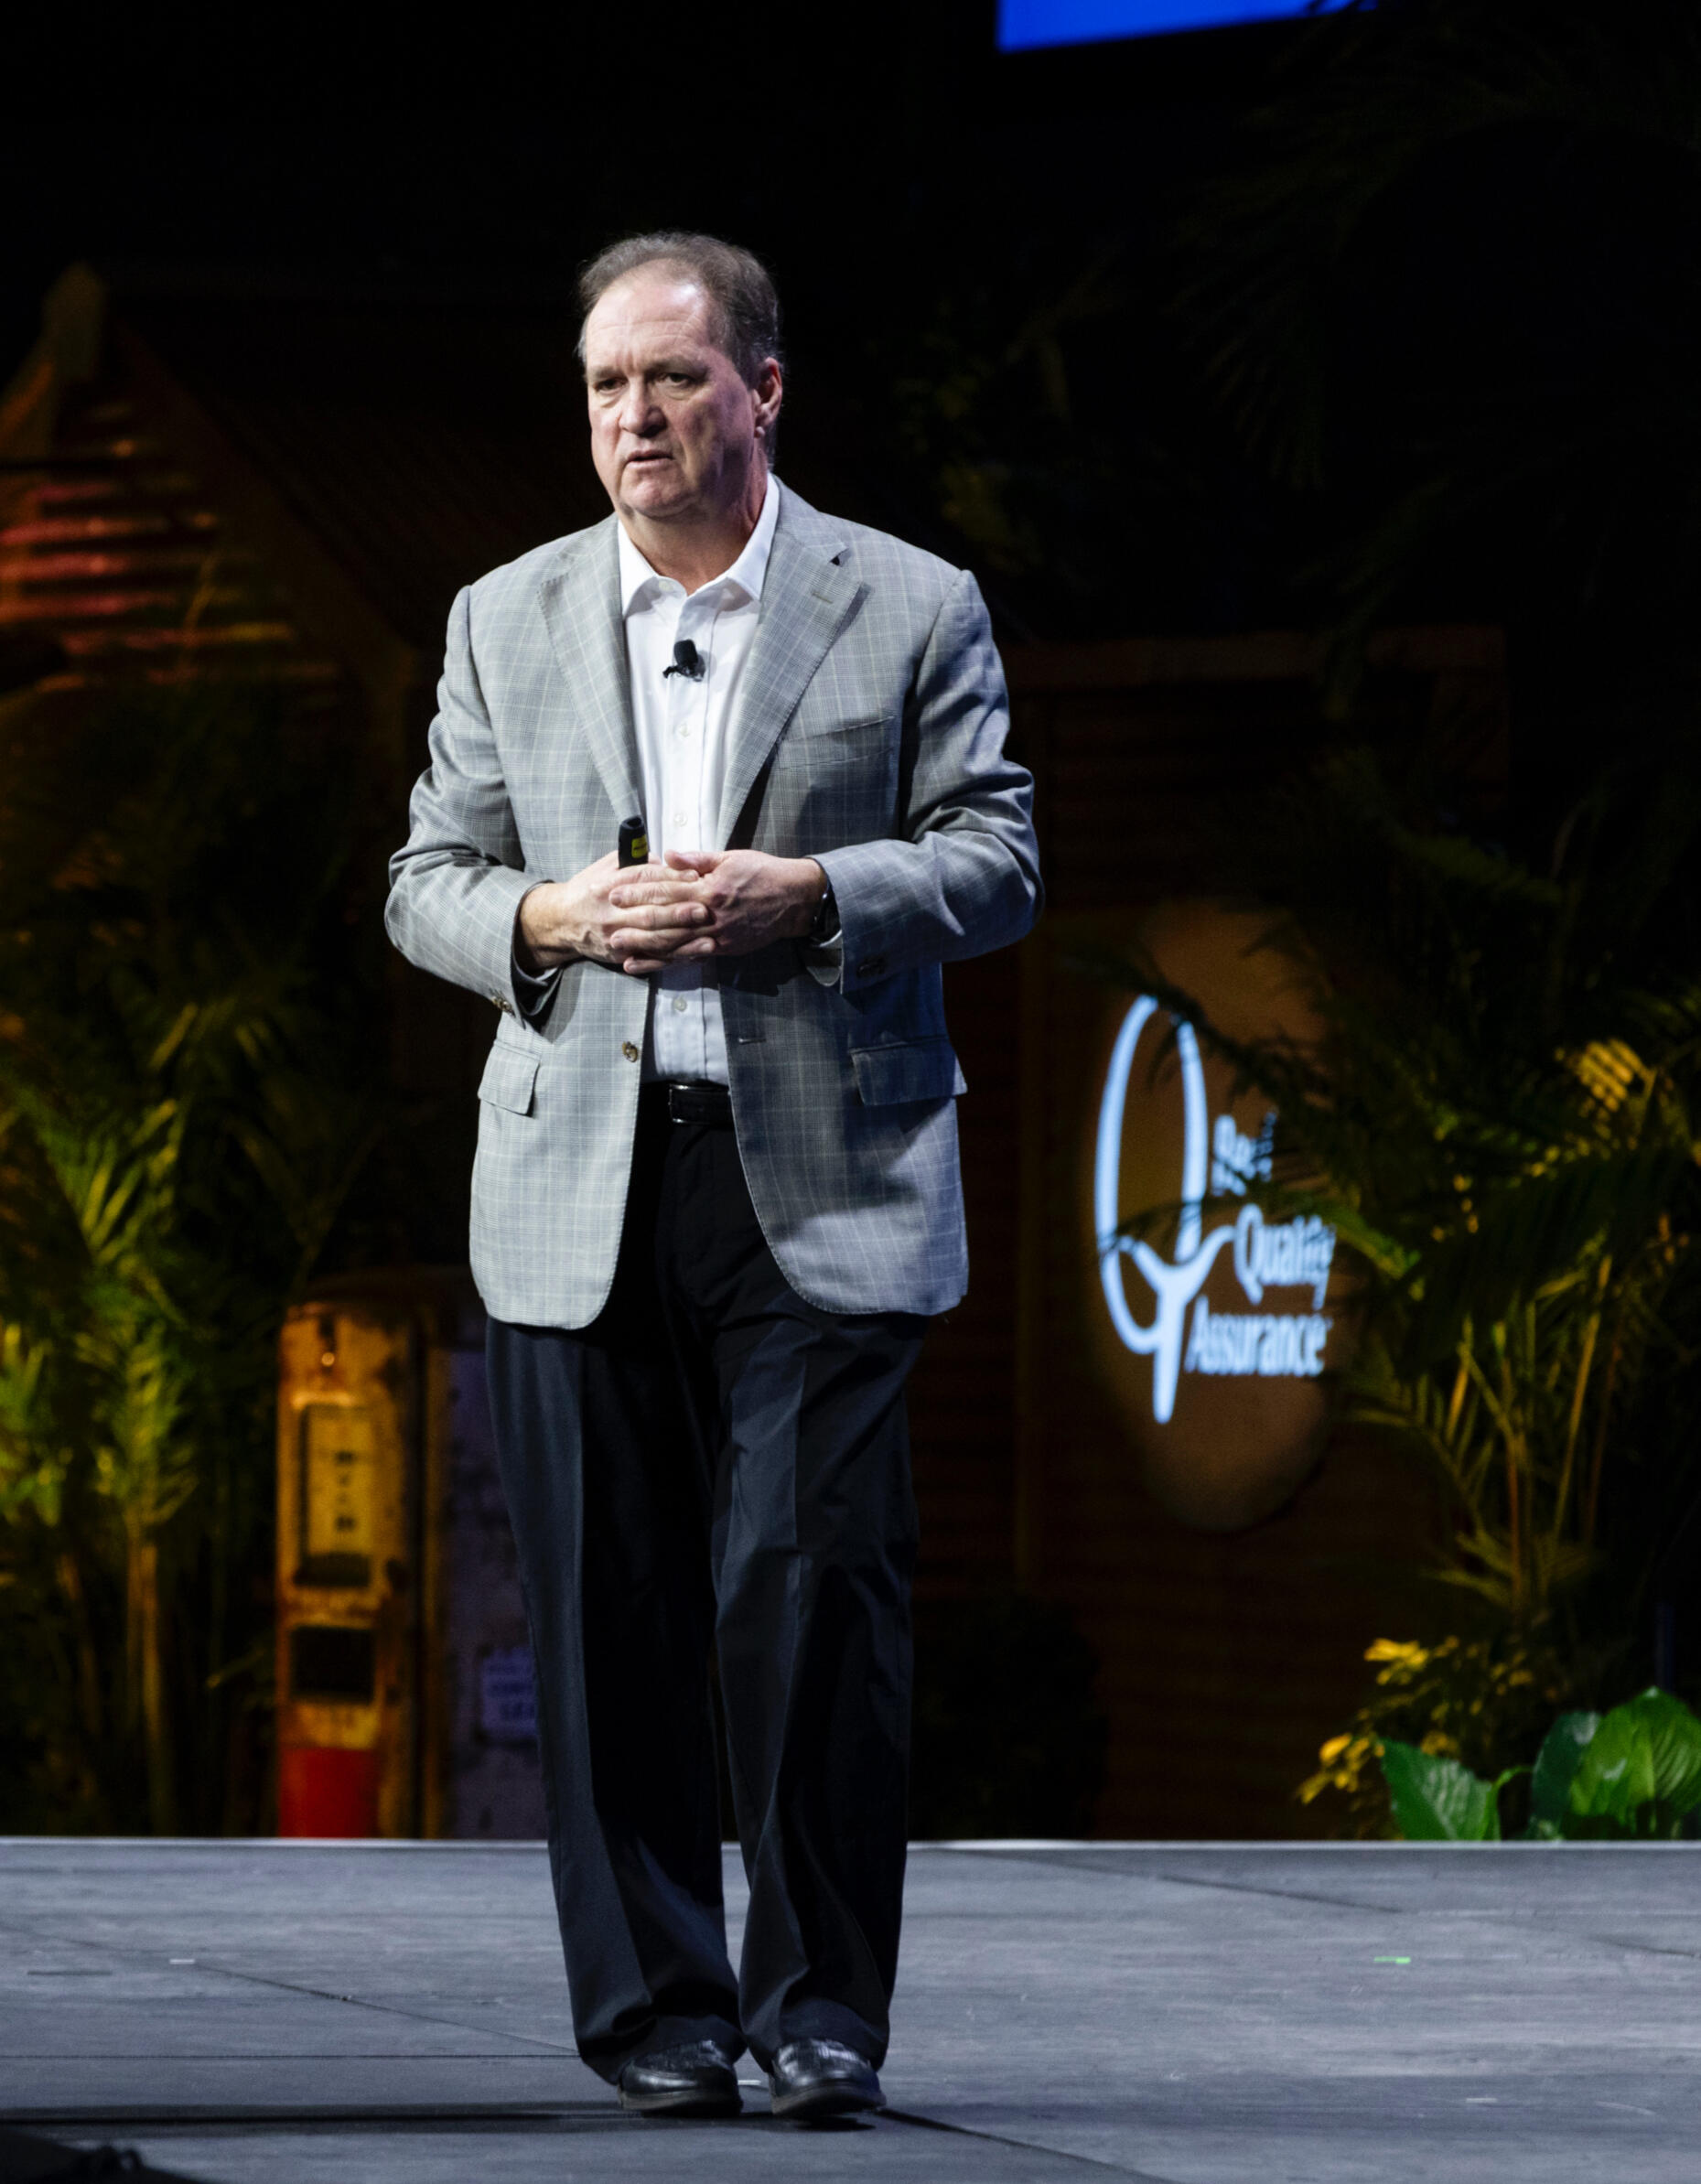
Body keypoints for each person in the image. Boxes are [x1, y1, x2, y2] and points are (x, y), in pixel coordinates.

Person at [385, 231, 1040, 2122]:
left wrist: (814, 897)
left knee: (811, 1594)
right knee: (609, 1619)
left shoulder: (909, 605)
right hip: (578, 1174)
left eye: (672, 378)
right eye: (606, 384)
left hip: (821, 1180)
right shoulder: (505, 615)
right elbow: (427, 882)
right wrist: (552, 916)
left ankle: (822, 2008)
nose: (634, 416)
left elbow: (995, 860)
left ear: (761, 389)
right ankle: (655, 2014)